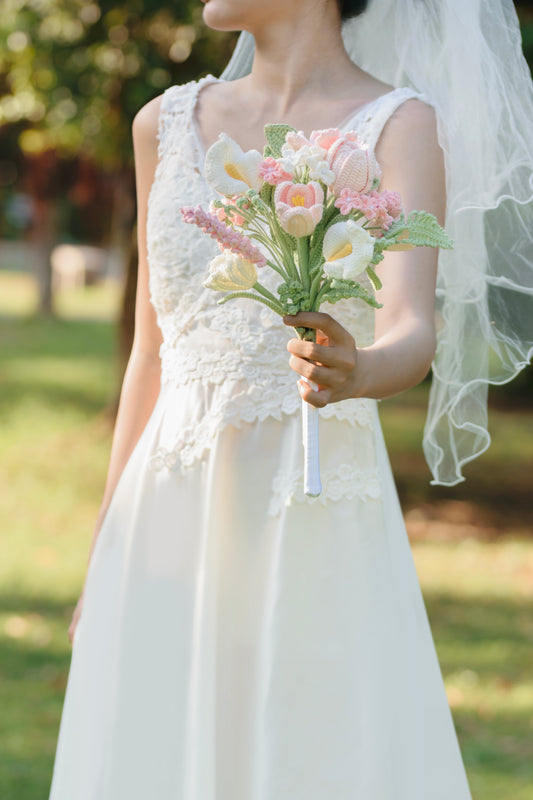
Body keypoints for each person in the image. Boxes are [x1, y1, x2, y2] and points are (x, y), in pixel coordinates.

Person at [48, 0, 533, 797]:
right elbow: (150, 350)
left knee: (306, 743)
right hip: (169, 503)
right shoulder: (160, 124)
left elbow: (413, 326)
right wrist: (107, 545)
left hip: (308, 495)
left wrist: (358, 369)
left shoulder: (400, 126)